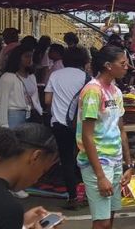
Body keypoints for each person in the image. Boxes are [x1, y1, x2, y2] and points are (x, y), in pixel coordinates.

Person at [76, 45, 135, 229]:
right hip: (98, 163)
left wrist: (128, 164)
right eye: (123, 63)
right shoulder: (93, 91)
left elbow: (120, 128)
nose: (127, 67)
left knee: (109, 216)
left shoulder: (116, 91)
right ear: (109, 65)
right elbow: (87, 135)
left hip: (115, 161)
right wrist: (100, 176)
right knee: (101, 222)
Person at [44, 46, 90, 210]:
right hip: (81, 124)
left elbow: (48, 100)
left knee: (66, 160)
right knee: (84, 158)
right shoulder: (86, 77)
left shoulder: (55, 75)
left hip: (59, 124)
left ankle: (72, 198)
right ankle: (86, 195)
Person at [0, 46, 43, 129]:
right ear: (18, 58)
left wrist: (39, 111)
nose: (30, 59)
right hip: (14, 114)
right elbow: (3, 101)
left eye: (31, 56)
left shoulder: (32, 76)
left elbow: (36, 98)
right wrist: (3, 124)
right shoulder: (7, 77)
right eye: (26, 56)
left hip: (30, 113)